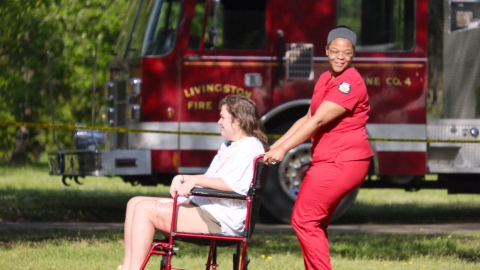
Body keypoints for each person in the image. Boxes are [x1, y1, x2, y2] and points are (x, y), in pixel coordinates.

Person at [263, 26, 373, 269]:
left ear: (353, 55)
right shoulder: (325, 79)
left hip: (342, 161)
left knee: (304, 220)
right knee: (314, 223)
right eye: (335, 51)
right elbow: (306, 117)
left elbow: (318, 120)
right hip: (328, 160)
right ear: (326, 51)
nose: (340, 57)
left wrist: (282, 152)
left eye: (346, 53)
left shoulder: (349, 83)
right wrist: (274, 146)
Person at [119, 95, 268, 270]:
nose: (219, 121)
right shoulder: (232, 145)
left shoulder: (249, 146)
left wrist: (196, 180)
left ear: (238, 121)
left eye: (223, 117)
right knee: (134, 202)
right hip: (210, 208)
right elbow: (213, 178)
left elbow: (234, 186)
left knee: (144, 210)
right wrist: (182, 178)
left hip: (221, 219)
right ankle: (127, 266)